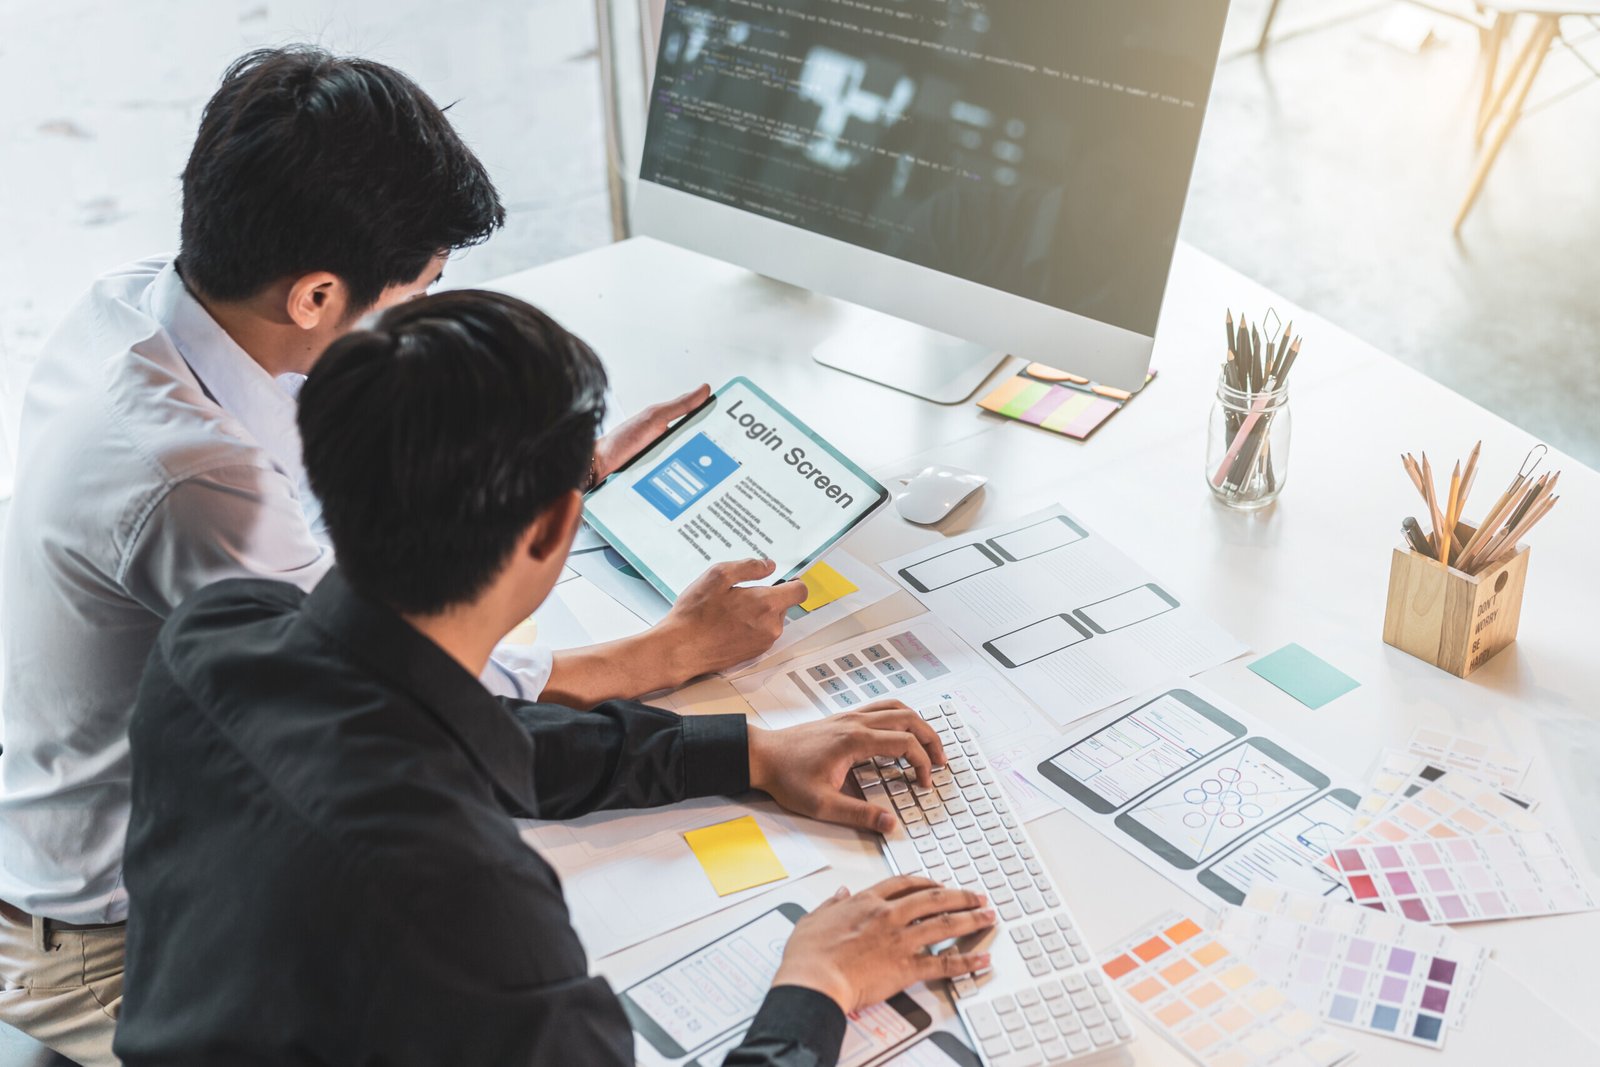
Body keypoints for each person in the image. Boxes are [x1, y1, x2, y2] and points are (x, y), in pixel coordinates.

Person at [0, 47, 804, 1065]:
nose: (414, 324)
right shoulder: (203, 488)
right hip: (111, 941)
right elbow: (416, 685)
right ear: (315, 296)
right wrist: (671, 650)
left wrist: (532, 461)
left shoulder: (148, 308)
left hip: (108, 834)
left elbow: (355, 575)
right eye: (418, 289)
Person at [113, 290, 993, 1065]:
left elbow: (479, 730)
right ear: (552, 529)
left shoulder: (217, 637)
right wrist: (818, 983)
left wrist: (748, 751)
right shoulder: (468, 903)